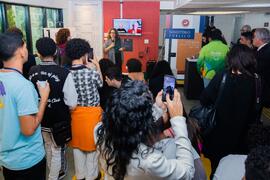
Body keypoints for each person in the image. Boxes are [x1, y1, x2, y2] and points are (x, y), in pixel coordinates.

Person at [96, 80, 195, 180]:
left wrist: (157, 107)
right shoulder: (150, 161)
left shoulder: (99, 131)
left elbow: (130, 120)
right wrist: (178, 120)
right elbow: (188, 172)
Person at [200, 44, 261, 178]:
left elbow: (204, 99)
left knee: (217, 169)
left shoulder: (222, 76)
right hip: (244, 138)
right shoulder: (257, 80)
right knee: (239, 170)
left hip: (218, 135)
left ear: (231, 59)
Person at [0, 32, 50, 180]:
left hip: (7, 160)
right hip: (27, 160)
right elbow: (28, 130)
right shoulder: (23, 86)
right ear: (20, 51)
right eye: (26, 46)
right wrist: (44, 98)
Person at [28, 37, 78, 180]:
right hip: (59, 120)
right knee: (57, 150)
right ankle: (54, 176)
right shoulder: (64, 73)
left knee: (48, 146)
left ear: (38, 53)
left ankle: (54, 172)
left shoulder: (32, 71)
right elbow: (72, 103)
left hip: (40, 118)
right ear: (56, 51)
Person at [65, 38, 103, 180]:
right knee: (92, 150)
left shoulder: (66, 73)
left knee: (77, 148)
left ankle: (80, 175)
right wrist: (97, 66)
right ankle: (91, 176)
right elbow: (100, 84)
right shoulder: (91, 73)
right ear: (84, 55)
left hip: (75, 115)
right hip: (92, 115)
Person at [253, 28, 270, 111]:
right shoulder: (264, 49)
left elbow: (257, 70)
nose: (252, 39)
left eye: (254, 37)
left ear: (259, 39)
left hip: (263, 88)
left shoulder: (264, 53)